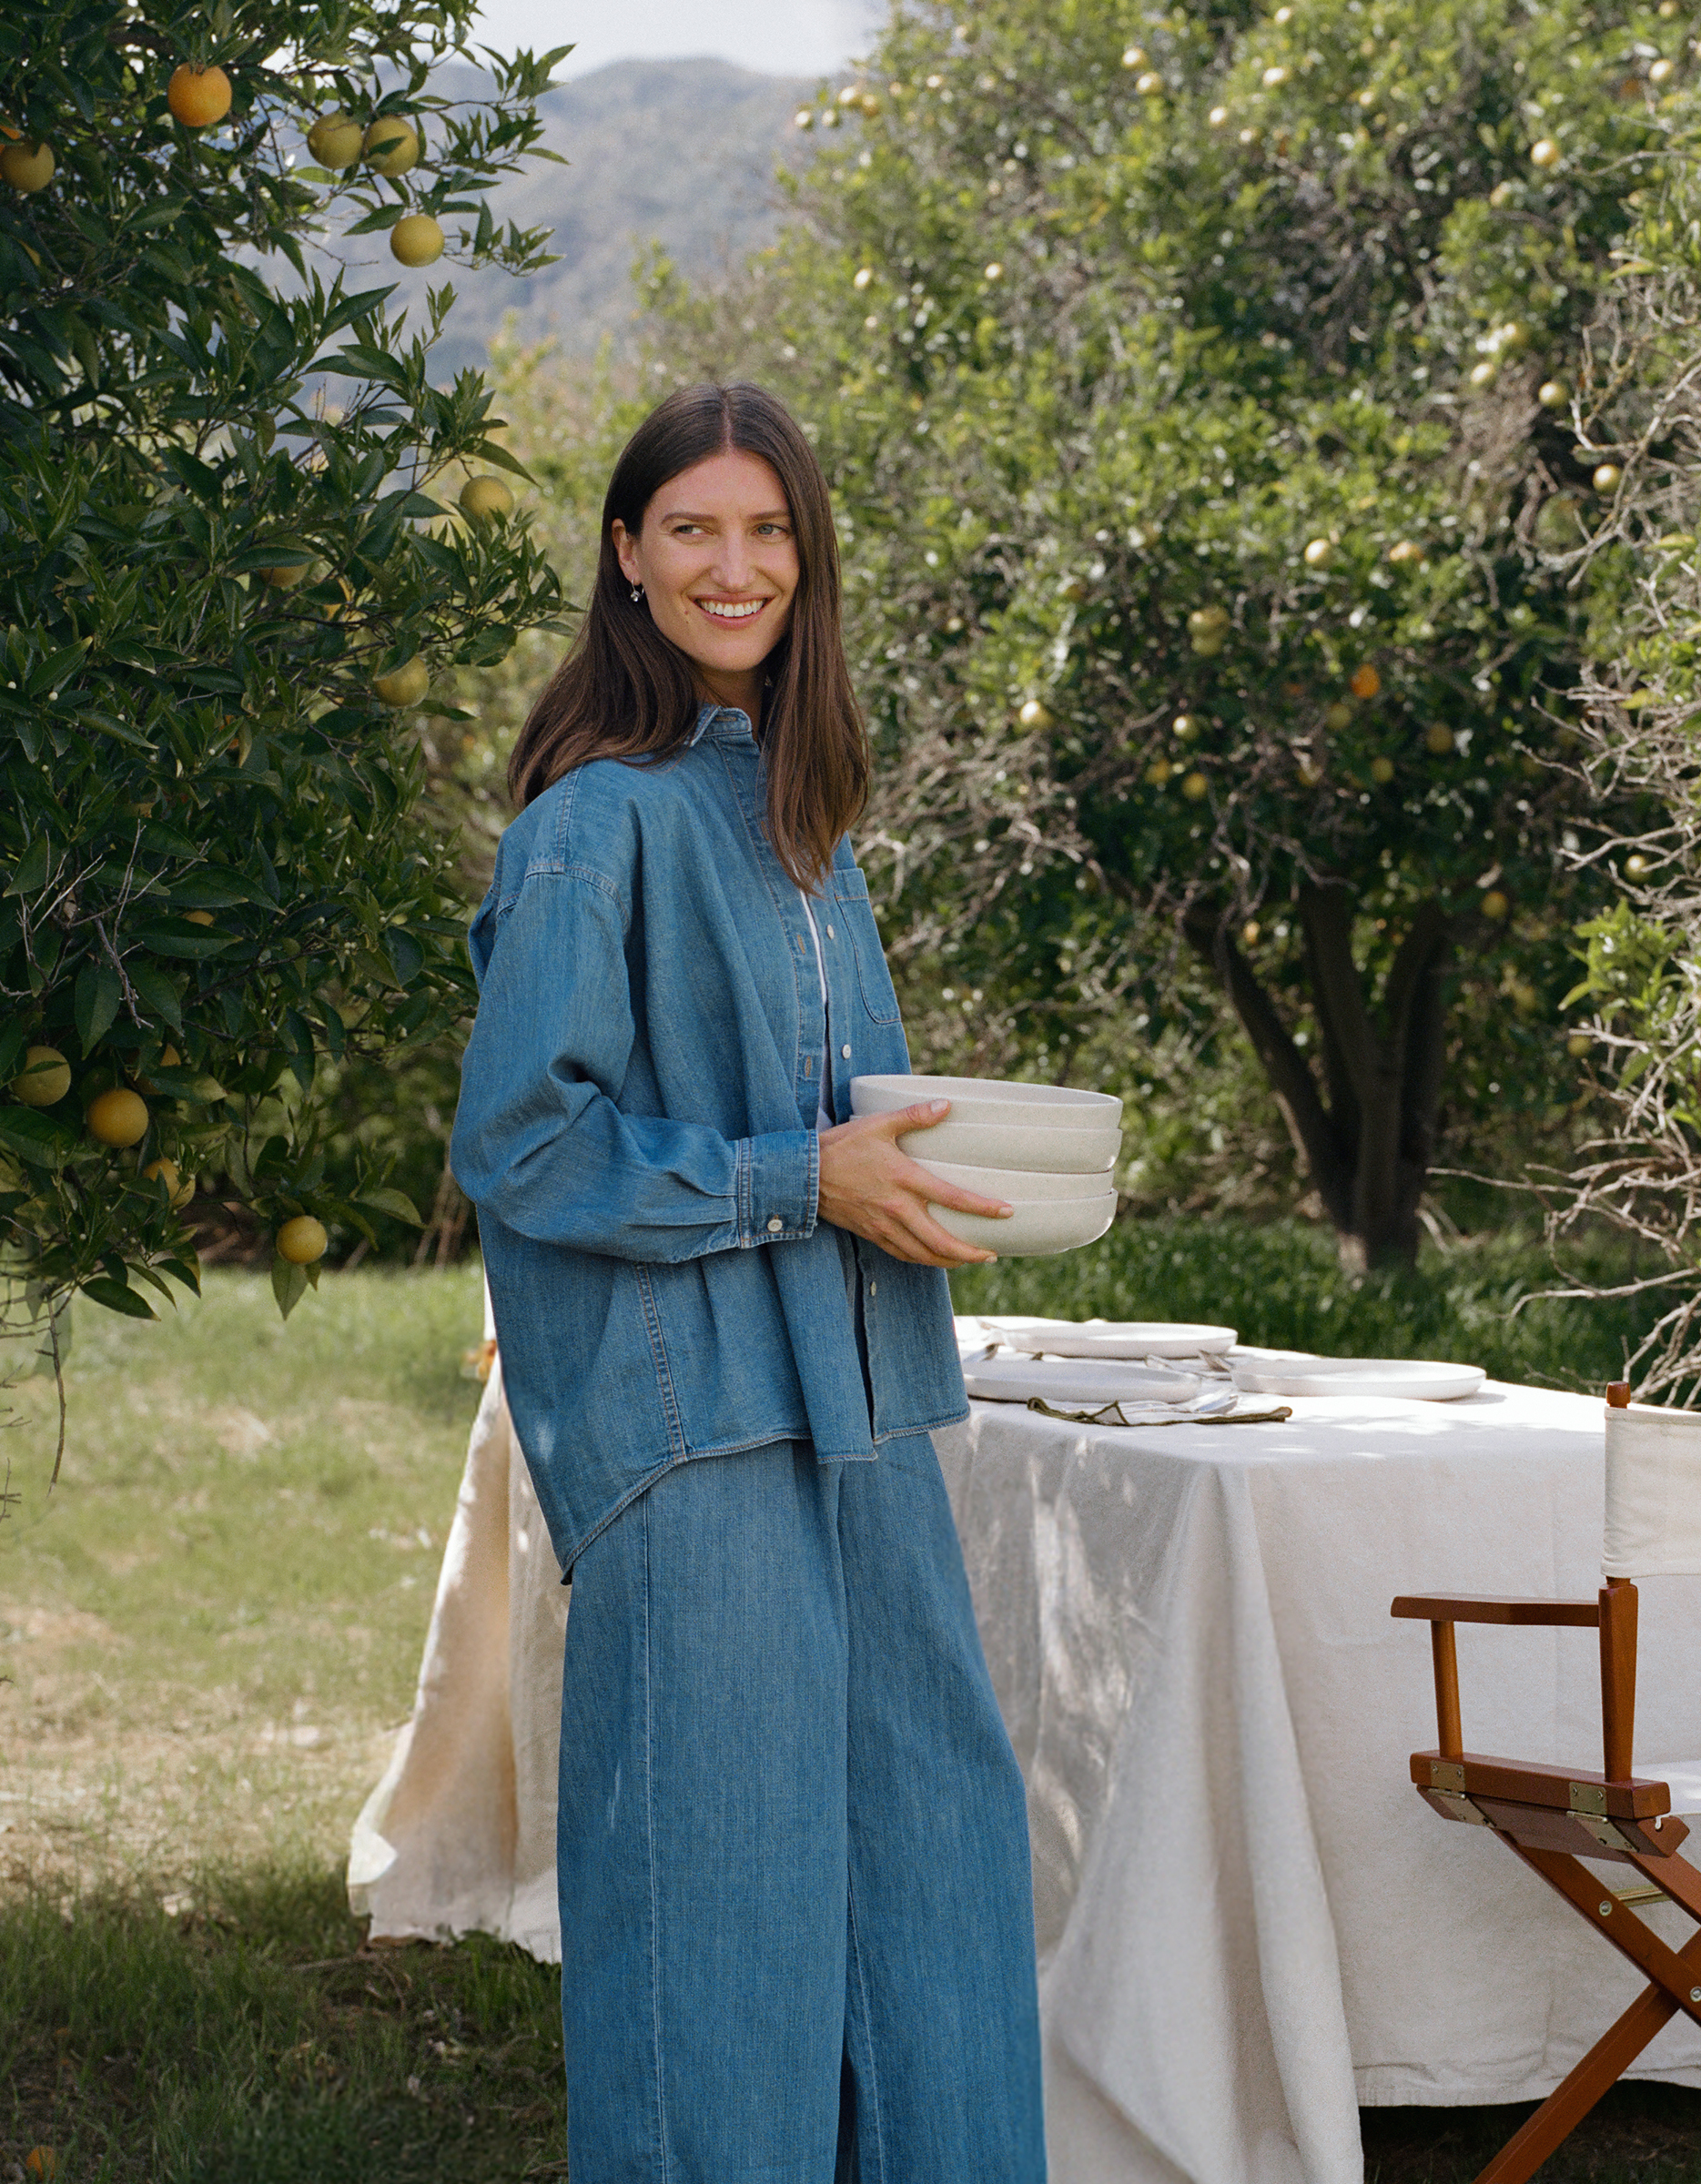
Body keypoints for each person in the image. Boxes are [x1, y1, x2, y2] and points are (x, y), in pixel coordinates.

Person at [449, 381, 1047, 2182]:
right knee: (723, 1910)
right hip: (692, 1428)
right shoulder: (592, 823)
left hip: (846, 1413)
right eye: (693, 528)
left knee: (930, 1863)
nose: (735, 563)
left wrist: (893, 1170)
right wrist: (806, 1180)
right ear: (626, 558)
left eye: (768, 530)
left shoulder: (793, 816)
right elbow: (527, 1145)